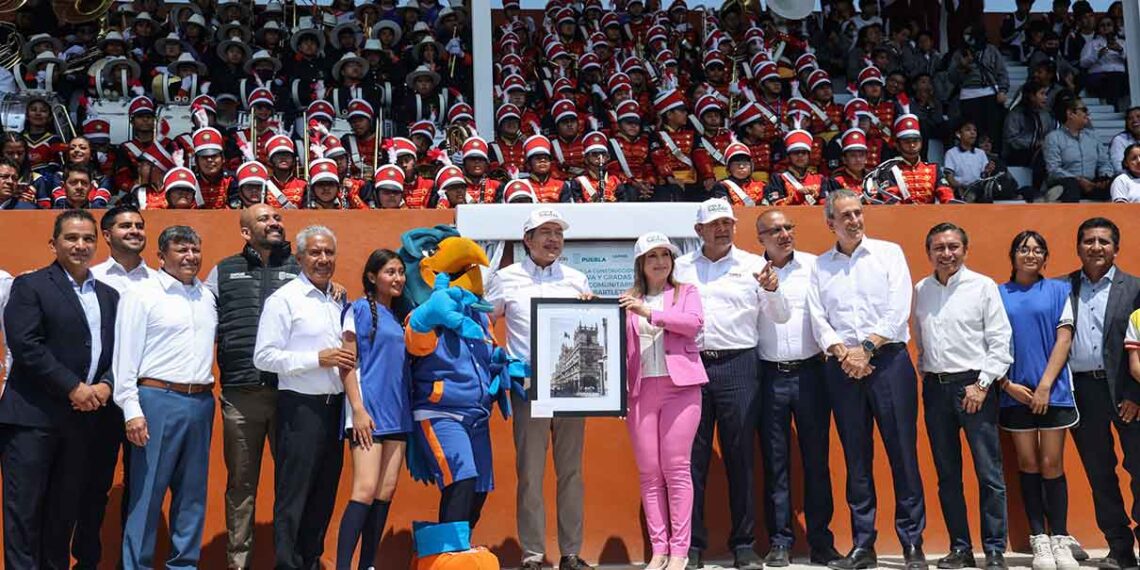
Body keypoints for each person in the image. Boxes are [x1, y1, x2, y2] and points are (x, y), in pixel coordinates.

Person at [805, 189, 927, 570]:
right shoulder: (820, 267)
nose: (854, 220)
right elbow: (817, 318)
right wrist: (845, 353)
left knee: (903, 455)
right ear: (830, 223)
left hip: (888, 362)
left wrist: (867, 350)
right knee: (857, 458)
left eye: (858, 213)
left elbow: (897, 307)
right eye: (845, 216)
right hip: (842, 369)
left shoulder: (889, 253)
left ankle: (912, 543)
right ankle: (864, 545)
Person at [673, 198, 790, 569]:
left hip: (740, 365)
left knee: (741, 456)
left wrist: (773, 289)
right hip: (691, 365)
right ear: (698, 231)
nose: (722, 229)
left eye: (728, 223)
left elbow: (782, 315)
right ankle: (690, 545)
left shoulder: (757, 266)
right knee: (692, 460)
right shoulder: (679, 268)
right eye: (714, 224)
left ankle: (743, 544)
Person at [0, 210, 118, 570]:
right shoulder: (30, 285)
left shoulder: (109, 295)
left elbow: (119, 349)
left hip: (82, 423)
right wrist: (72, 387)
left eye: (87, 239)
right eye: (71, 238)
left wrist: (106, 384)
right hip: (32, 419)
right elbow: (26, 345)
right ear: (54, 244)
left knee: (62, 514)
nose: (80, 245)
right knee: (25, 514)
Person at [483, 209, 594, 570]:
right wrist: (498, 356)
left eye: (557, 233)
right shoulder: (505, 278)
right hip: (527, 384)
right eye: (544, 232)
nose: (552, 239)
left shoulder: (577, 279)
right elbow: (486, 320)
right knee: (530, 472)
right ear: (527, 240)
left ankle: (570, 553)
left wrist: (592, 313)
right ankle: (532, 555)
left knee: (572, 472)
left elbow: (593, 329)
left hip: (571, 385)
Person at [113, 225, 216, 569]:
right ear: (161, 256)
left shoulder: (206, 295)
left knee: (192, 496)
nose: (190, 257)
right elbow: (124, 356)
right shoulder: (142, 294)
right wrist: (131, 408)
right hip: (157, 399)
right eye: (181, 250)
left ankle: (184, 564)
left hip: (201, 402)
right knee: (147, 495)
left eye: (195, 250)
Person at [205, 204, 301, 570]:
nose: (274, 223)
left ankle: (288, 563)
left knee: (291, 485)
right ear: (246, 231)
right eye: (264, 219)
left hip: (292, 395)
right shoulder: (223, 271)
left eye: (277, 218)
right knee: (241, 488)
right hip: (241, 395)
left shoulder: (300, 269)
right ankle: (238, 564)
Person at [913, 223, 1013, 570]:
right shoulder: (922, 289)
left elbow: (1001, 342)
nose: (947, 253)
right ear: (929, 253)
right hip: (936, 389)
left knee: (989, 473)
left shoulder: (982, 286)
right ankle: (961, 548)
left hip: (974, 387)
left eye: (953, 246)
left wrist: (983, 385)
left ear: (965, 250)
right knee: (947, 474)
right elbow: (920, 339)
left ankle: (995, 549)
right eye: (939, 248)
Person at [254, 225, 351, 570]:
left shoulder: (337, 299)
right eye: (315, 253)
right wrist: (316, 359)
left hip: (335, 410)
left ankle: (310, 561)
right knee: (293, 496)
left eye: (328, 253)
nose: (323, 259)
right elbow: (263, 357)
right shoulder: (284, 300)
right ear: (299, 258)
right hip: (300, 409)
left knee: (324, 495)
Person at [754, 210, 840, 567]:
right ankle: (780, 542)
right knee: (775, 463)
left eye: (789, 227)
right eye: (775, 230)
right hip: (769, 375)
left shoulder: (815, 267)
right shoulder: (750, 272)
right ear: (761, 238)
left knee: (817, 461)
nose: (784, 234)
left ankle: (821, 542)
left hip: (811, 374)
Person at [618, 232, 708, 570]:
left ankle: (680, 551)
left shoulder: (686, 292)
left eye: (665, 255)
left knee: (677, 469)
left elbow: (693, 324)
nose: (660, 262)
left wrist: (650, 313)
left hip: (681, 389)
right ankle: (659, 550)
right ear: (641, 263)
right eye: (652, 256)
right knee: (649, 472)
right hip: (641, 391)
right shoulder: (628, 298)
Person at [997, 230, 1081, 570]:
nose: (1030, 255)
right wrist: (1007, 385)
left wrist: (1046, 385)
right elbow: (989, 342)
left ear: (1045, 257)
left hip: (1054, 393)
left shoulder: (1060, 290)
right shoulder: (998, 294)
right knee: (1028, 465)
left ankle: (1059, 538)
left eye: (1037, 250)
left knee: (1051, 465)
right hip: (1014, 393)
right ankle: (1039, 542)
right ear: (1013, 255)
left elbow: (1064, 339)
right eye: (1023, 249)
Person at [1064, 218, 1140, 570]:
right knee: (1100, 472)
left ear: (1116, 248)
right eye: (1089, 241)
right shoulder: (1063, 288)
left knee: (1139, 468)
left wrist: (1136, 394)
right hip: (1083, 392)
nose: (1096, 247)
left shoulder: (1136, 288)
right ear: (1078, 247)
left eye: (1104, 242)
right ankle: (1119, 547)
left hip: (1127, 392)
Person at [336, 249, 410, 570]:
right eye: (390, 272)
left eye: (401, 272)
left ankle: (368, 564)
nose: (398, 278)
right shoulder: (359, 309)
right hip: (367, 413)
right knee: (364, 490)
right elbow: (347, 364)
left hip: (399, 413)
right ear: (371, 277)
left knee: (385, 491)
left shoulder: (399, 315)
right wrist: (358, 408)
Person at [1042, 96, 1114, 202]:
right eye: (1084, 110)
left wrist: (1104, 177)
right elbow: (1053, 169)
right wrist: (1079, 180)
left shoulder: (1093, 136)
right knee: (1071, 185)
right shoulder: (1053, 137)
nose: (1087, 114)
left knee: (1116, 181)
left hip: (1092, 183)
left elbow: (1104, 162)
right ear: (1070, 113)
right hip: (1066, 183)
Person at [1079, 16, 1128, 110]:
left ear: (1114, 27)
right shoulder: (1091, 44)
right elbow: (1083, 63)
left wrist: (1120, 50)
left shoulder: (1122, 43)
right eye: (1102, 25)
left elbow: (1133, 59)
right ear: (1098, 28)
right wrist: (1097, 55)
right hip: (1099, 77)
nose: (1106, 27)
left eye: (1109, 24)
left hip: (1120, 77)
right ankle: (1114, 107)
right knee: (1113, 79)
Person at [1109, 108, 1140, 175]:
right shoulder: (1119, 140)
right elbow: (1119, 169)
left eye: (1138, 116)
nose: (1135, 120)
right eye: (1130, 118)